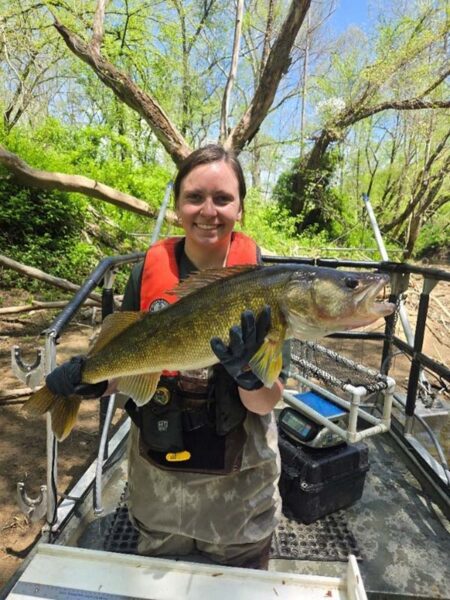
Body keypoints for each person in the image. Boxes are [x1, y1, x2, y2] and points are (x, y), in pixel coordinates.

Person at [45, 144, 284, 569]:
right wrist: (91, 380)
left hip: (238, 487)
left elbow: (266, 401)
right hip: (160, 480)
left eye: (223, 198)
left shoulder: (265, 285)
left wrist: (249, 374)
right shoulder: (147, 272)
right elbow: (129, 370)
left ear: (241, 209)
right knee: (161, 573)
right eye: (194, 197)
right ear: (176, 208)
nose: (208, 211)